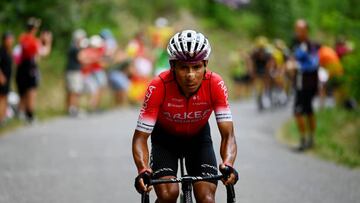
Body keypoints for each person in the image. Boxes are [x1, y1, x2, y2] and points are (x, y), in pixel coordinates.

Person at [132, 30, 238, 203]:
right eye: (183, 67)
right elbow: (140, 138)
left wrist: (228, 164)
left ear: (205, 65)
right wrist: (143, 169)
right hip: (165, 141)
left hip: (198, 140)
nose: (190, 75)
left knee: (207, 198)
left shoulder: (215, 84)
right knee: (168, 195)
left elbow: (228, 135)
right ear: (172, 66)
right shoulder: (159, 86)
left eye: (196, 67)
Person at [290, 19, 320, 151]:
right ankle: (309, 140)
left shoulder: (310, 45)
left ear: (306, 31)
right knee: (307, 111)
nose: (298, 32)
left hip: (307, 85)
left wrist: (296, 65)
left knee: (300, 112)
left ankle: (306, 140)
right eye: (296, 29)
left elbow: (314, 63)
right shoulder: (297, 44)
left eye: (300, 30)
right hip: (299, 84)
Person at [16, 17, 52, 123]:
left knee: (22, 92)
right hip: (30, 69)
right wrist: (48, 42)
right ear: (35, 29)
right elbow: (43, 53)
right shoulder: (33, 41)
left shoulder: (22, 38)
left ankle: (21, 113)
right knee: (31, 91)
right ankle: (30, 115)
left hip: (21, 68)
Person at [65, 29, 87, 117]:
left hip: (74, 71)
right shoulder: (75, 48)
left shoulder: (73, 47)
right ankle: (72, 109)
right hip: (73, 72)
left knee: (76, 90)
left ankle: (74, 108)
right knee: (74, 90)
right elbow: (81, 59)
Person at [0, 32, 14, 125]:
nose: (10, 41)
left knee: (5, 98)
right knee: (1, 98)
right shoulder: (1, 51)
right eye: (8, 39)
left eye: (11, 39)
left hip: (7, 80)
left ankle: (3, 117)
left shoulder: (8, 51)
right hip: (2, 80)